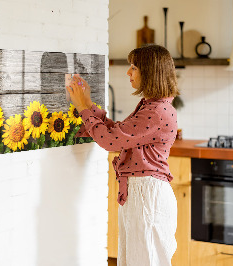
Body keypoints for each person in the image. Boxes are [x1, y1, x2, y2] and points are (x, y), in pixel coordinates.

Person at [67, 44, 179, 266]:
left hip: (147, 195)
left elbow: (110, 141)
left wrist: (82, 108)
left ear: (150, 72)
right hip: (142, 193)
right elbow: (118, 133)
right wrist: (88, 104)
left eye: (134, 67)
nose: (128, 72)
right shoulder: (152, 106)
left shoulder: (156, 111)